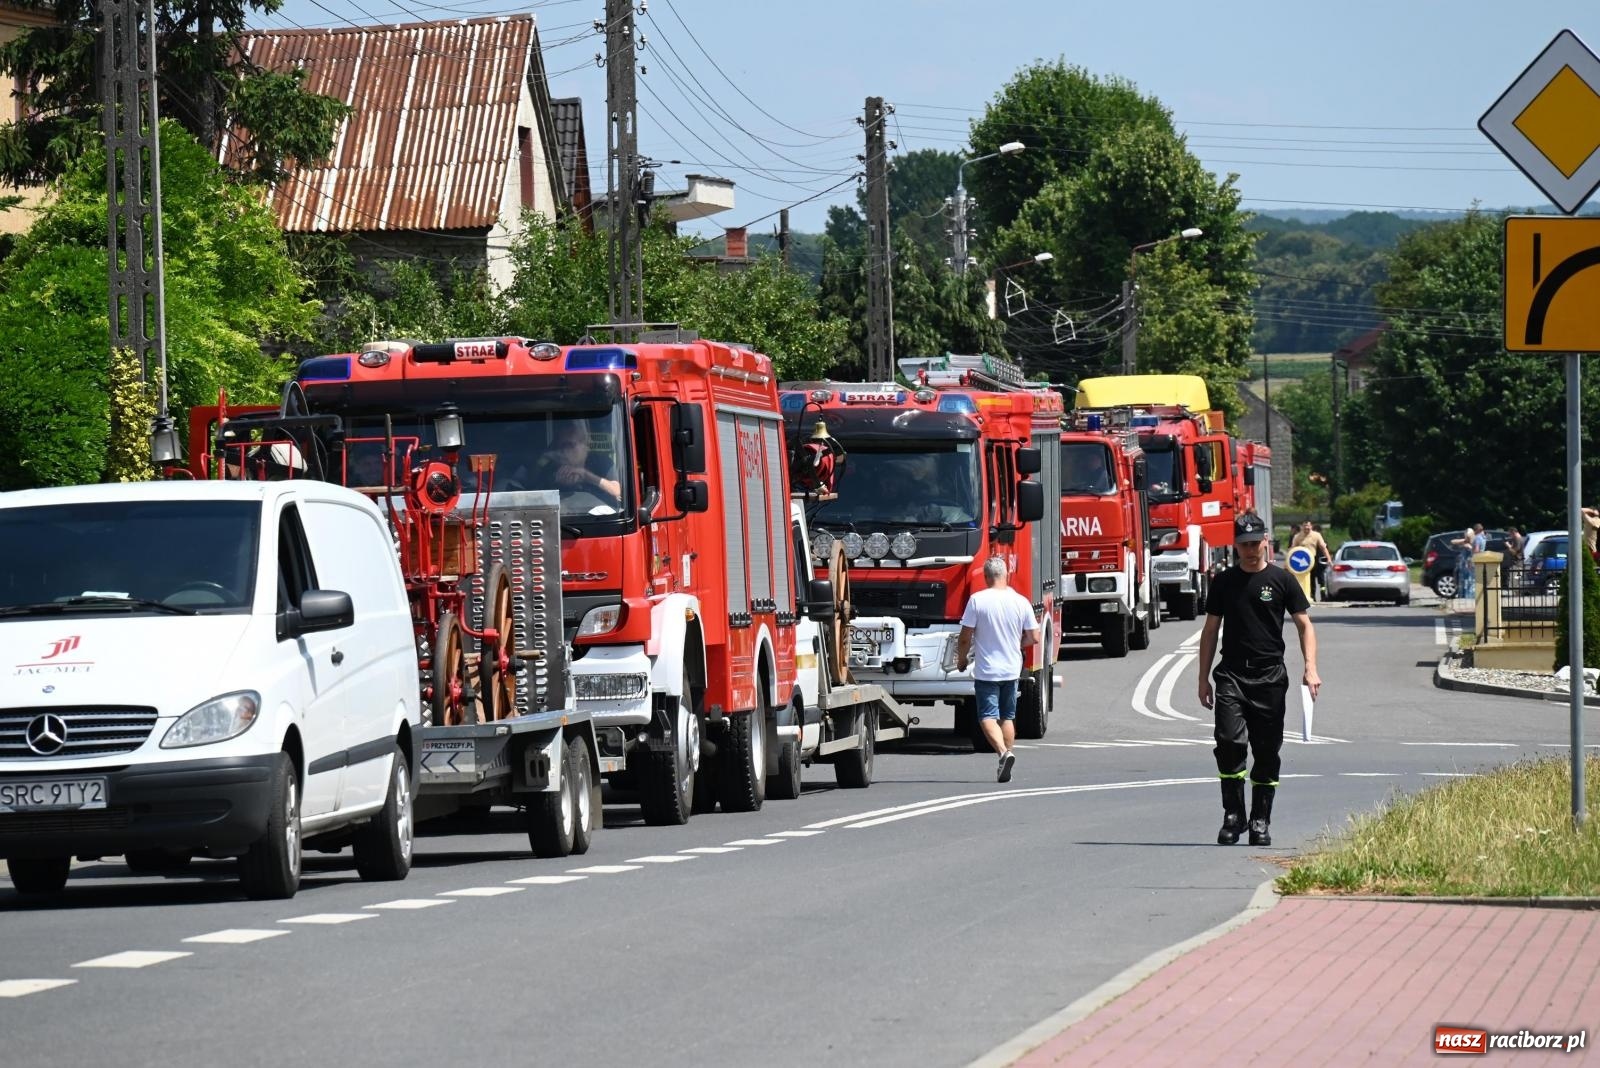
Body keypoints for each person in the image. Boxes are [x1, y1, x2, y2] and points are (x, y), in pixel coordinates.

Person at [1197, 513, 1320, 847]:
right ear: (1235, 546)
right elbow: (1210, 631)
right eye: (1244, 545)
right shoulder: (1224, 582)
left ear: (1266, 541)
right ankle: (1233, 816)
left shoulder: (1282, 581)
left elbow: (1304, 625)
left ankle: (1260, 820)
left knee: (1266, 751)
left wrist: (1310, 668)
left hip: (1269, 677)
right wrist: (1203, 678)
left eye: (1255, 544)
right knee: (1229, 742)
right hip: (1232, 675)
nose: (1250, 551)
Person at [955, 556, 1040, 783]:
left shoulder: (977, 600)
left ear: (985, 577)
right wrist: (1017, 645)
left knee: (986, 716)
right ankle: (1007, 755)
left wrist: (961, 660)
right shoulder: (1021, 601)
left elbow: (965, 637)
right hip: (1012, 669)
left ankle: (1003, 753)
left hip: (987, 670)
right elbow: (1034, 637)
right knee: (1007, 717)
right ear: (1007, 575)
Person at [533, 421, 622, 505]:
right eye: (562, 446)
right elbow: (535, 496)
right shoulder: (552, 466)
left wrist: (586, 475)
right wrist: (556, 483)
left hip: (600, 515)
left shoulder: (601, 461)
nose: (565, 450)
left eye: (570, 445)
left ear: (585, 445)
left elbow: (616, 490)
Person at [1290, 520, 1333, 602]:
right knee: (1309, 580)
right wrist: (1288, 563)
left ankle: (1323, 596)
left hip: (1314, 560)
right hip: (1302, 563)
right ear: (1302, 527)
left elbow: (1323, 548)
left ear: (1311, 526)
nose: (1306, 528)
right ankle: (1311, 596)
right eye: (1305, 526)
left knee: (1320, 579)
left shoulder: (1316, 535)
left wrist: (1329, 559)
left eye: (1308, 526)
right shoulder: (1297, 536)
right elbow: (1293, 550)